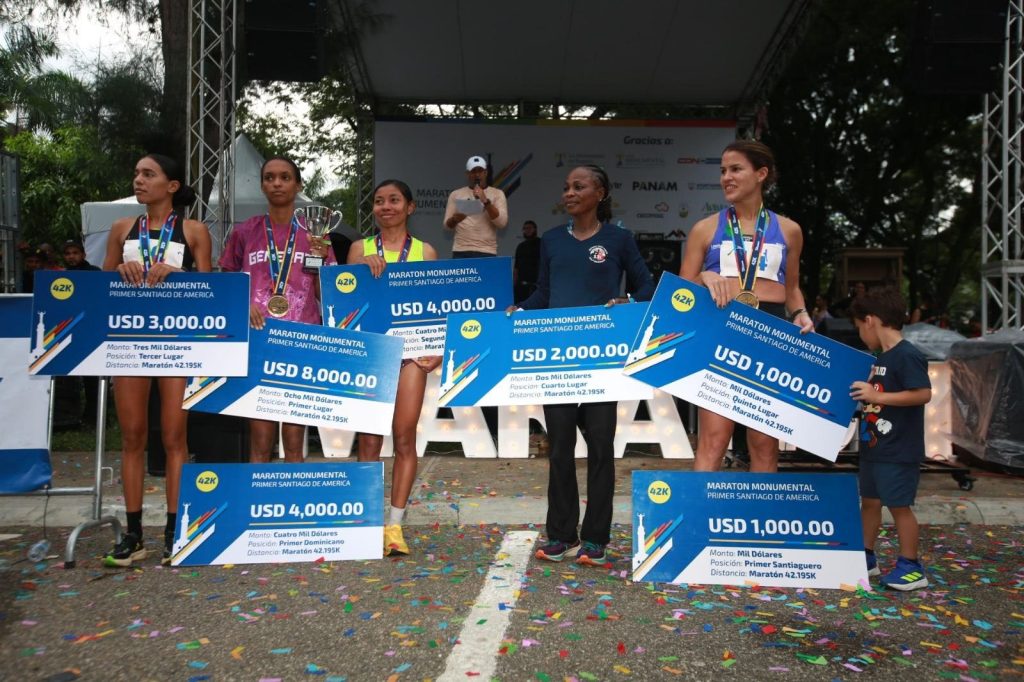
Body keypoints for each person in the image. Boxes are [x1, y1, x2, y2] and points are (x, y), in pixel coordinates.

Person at [514, 165, 654, 566]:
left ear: (601, 193)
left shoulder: (620, 239)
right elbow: (544, 291)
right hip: (557, 361)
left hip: (603, 364)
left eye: (579, 186)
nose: (570, 192)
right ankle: (560, 534)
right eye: (566, 187)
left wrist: (627, 301)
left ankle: (595, 538)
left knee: (600, 448)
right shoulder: (552, 240)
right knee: (559, 448)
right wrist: (519, 309)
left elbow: (646, 285)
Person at [101, 153, 212, 566]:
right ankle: (133, 536)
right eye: (136, 174)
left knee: (173, 439)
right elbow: (99, 286)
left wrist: (179, 275)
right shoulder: (120, 228)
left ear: (171, 185)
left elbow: (209, 289)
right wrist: (118, 272)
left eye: (149, 174)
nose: (139, 180)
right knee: (132, 438)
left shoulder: (194, 230)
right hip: (129, 343)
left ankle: (173, 531)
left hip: (177, 344)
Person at [679, 140, 814, 473]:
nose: (727, 177)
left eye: (736, 169)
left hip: (770, 333)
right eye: (723, 170)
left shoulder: (790, 230)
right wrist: (706, 277)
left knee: (765, 444)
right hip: (721, 332)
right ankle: (702, 520)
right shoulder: (705, 228)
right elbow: (678, 295)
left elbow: (792, 289)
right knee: (714, 438)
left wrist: (801, 314)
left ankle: (763, 521)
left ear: (761, 174)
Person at [347, 179, 440, 556]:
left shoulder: (425, 251)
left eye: (394, 200)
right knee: (369, 439)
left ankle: (395, 527)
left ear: (410, 207)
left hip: (411, 354)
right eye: (379, 201)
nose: (386, 207)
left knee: (404, 436)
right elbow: (344, 296)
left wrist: (438, 349)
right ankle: (365, 523)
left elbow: (434, 306)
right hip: (370, 351)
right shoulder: (358, 248)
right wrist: (359, 271)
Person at [219, 156, 333, 463]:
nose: (277, 183)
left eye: (284, 177)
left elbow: (328, 295)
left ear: (298, 185)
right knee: (260, 437)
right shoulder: (246, 231)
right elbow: (227, 280)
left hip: (302, 336)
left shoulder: (316, 233)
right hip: (258, 336)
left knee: (294, 438)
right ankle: (259, 502)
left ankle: (291, 502)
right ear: (262, 185)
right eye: (269, 178)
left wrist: (321, 261)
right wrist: (242, 303)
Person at [849, 287, 932, 591]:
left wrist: (874, 393)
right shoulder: (879, 357)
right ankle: (866, 556)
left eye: (859, 328)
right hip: (874, 447)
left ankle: (911, 565)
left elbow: (923, 393)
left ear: (870, 320)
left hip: (899, 450)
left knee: (899, 506)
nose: (861, 335)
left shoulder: (907, 354)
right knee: (869, 502)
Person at [443, 155, 508, 258]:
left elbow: (502, 223)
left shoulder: (497, 194)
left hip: (487, 251)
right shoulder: (456, 194)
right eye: (473, 171)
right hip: (461, 250)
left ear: (486, 173)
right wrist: (455, 219)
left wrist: (485, 201)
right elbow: (446, 226)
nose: (477, 175)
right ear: (468, 174)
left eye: (480, 171)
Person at [513, 219, 541, 303]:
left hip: (537, 285)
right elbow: (516, 267)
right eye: (525, 228)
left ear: (535, 229)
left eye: (529, 228)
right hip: (521, 285)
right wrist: (514, 283)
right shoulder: (520, 246)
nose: (527, 230)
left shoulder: (541, 243)